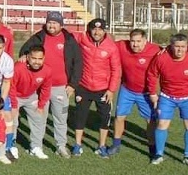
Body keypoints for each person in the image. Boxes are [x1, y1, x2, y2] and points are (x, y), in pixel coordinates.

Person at [18, 11, 83, 158]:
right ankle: (36, 146)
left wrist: (73, 84)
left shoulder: (69, 40)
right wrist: (23, 56)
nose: (51, 25)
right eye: (49, 22)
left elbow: (78, 63)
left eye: (55, 23)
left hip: (61, 87)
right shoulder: (39, 37)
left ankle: (61, 146)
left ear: (61, 25)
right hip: (40, 87)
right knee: (39, 118)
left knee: (60, 119)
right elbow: (24, 50)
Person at [146, 33, 188, 167]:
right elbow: (152, 75)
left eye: (183, 47)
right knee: (162, 124)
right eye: (177, 46)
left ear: (187, 47)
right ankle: (159, 154)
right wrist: (152, 93)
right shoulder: (162, 58)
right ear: (171, 46)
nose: (180, 50)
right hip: (167, 97)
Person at [71, 18, 121, 157]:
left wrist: (111, 90)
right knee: (80, 116)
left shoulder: (111, 47)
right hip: (83, 86)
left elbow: (116, 70)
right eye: (94, 29)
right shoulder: (82, 38)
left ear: (104, 30)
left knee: (104, 118)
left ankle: (101, 146)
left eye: (100, 29)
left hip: (103, 89)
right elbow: (63, 35)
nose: (97, 32)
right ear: (89, 29)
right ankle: (77, 145)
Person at [109, 29, 161, 157]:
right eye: (132, 41)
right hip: (127, 90)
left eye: (138, 41)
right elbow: (107, 41)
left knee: (150, 121)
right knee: (119, 117)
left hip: (146, 93)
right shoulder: (122, 46)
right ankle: (116, 145)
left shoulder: (156, 50)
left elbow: (174, 51)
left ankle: (153, 148)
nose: (135, 44)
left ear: (145, 41)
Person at [9, 46, 52, 159]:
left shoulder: (47, 70)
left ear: (44, 58)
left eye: (40, 59)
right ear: (28, 57)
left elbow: (46, 89)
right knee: (13, 121)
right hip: (15, 96)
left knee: (38, 119)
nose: (37, 62)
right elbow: (11, 87)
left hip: (31, 96)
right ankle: (11, 145)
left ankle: (36, 147)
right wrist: (14, 106)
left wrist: (41, 105)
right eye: (34, 58)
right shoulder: (18, 67)